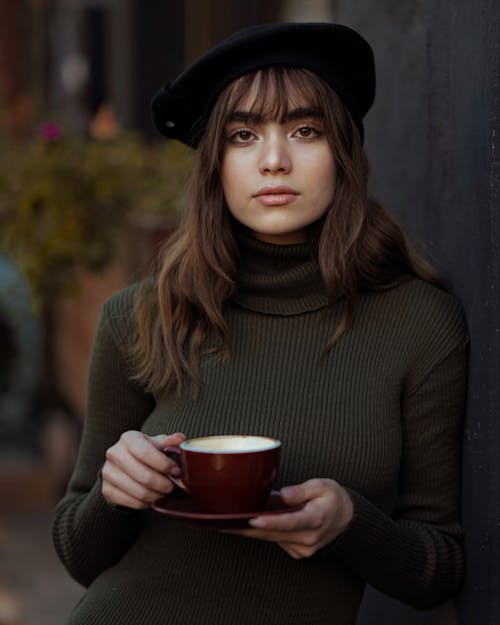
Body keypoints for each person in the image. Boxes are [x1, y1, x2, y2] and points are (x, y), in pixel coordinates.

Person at [52, 22, 468, 625]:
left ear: (343, 152)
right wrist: (114, 492)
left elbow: (440, 565)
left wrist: (350, 522)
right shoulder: (139, 316)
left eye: (305, 130)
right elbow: (77, 553)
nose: (274, 161)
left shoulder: (420, 325)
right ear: (216, 164)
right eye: (243, 135)